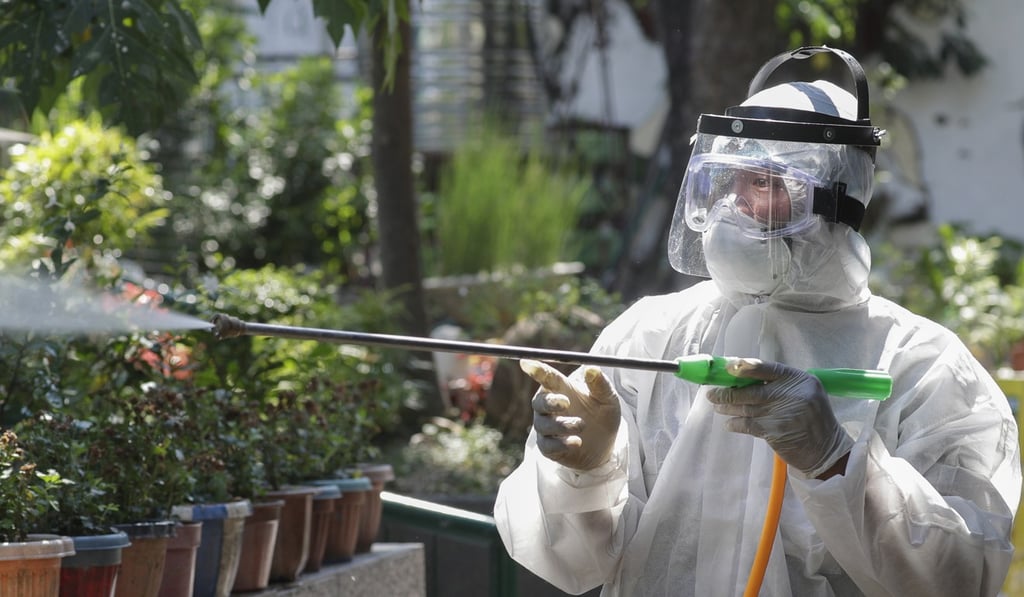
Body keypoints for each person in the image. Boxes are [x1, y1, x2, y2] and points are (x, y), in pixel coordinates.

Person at [493, 46, 1021, 596]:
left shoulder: (923, 367)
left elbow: (961, 576)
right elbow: (572, 563)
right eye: (732, 181)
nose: (739, 206)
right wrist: (586, 472)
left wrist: (835, 462)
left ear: (838, 200)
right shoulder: (651, 335)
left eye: (770, 185)